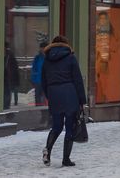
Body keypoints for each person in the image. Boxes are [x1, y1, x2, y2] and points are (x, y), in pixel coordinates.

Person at [38, 35, 86, 167]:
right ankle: (66, 159)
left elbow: (44, 81)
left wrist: (50, 95)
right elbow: (77, 80)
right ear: (66, 45)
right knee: (70, 127)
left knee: (57, 126)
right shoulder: (70, 57)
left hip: (54, 95)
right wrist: (82, 99)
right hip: (70, 94)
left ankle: (47, 149)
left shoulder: (47, 60)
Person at [4, 42, 19, 107]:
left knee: (7, 91)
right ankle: (5, 104)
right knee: (6, 91)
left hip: (8, 75)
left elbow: (14, 66)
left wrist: (12, 75)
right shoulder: (8, 54)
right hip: (5, 75)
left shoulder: (10, 55)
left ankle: (6, 105)